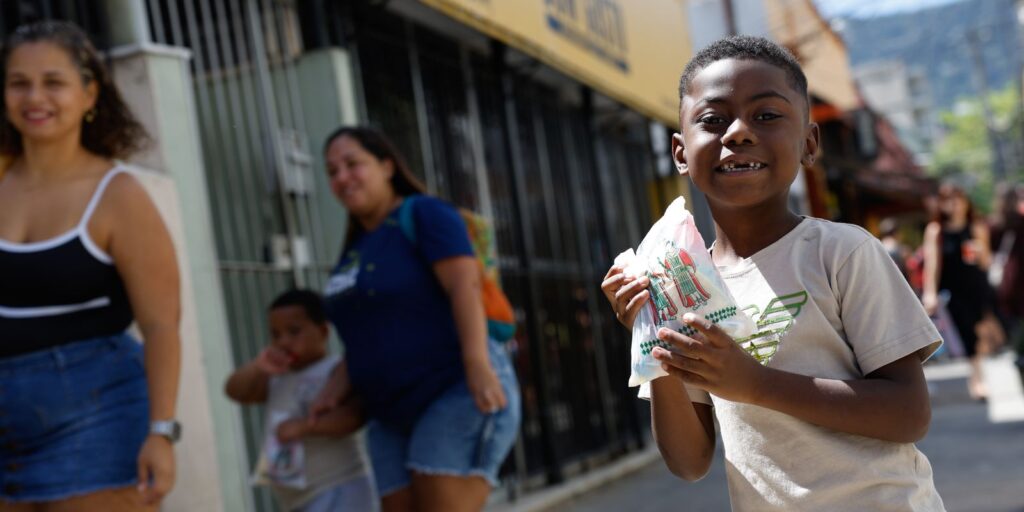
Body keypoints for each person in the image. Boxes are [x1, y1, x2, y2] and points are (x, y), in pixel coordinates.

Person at [602, 36, 944, 511]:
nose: (738, 133)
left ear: (808, 143)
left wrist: (755, 384)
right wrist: (650, 333)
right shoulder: (684, 287)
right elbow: (689, 461)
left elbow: (909, 413)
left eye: (765, 115)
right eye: (712, 119)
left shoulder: (841, 252)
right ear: (681, 153)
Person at [0, 20, 180, 510]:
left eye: (53, 82)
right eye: (19, 83)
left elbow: (162, 325)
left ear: (89, 94)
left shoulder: (117, 194)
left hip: (97, 418)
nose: (34, 97)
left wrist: (162, 431)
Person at [310, 126, 521, 512]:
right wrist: (332, 390)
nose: (342, 177)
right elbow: (367, 333)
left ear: (387, 166)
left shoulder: (424, 213)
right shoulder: (355, 247)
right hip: (388, 410)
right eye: (332, 171)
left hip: (454, 387)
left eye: (353, 164)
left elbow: (464, 286)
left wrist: (477, 363)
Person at [225, 289, 377, 512]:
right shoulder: (277, 376)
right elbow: (235, 391)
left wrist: (305, 426)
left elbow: (353, 416)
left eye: (294, 331)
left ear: (323, 331)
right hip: (296, 500)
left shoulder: (335, 371)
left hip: (340, 488)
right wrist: (259, 366)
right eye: (275, 335)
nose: (284, 341)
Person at [922, 182, 997, 399]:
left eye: (958, 199)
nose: (954, 205)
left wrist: (981, 251)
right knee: (966, 332)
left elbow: (986, 263)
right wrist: (929, 292)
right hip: (952, 292)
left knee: (979, 332)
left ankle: (978, 377)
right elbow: (932, 265)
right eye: (948, 200)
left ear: (966, 203)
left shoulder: (976, 227)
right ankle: (977, 379)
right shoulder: (936, 231)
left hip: (977, 288)